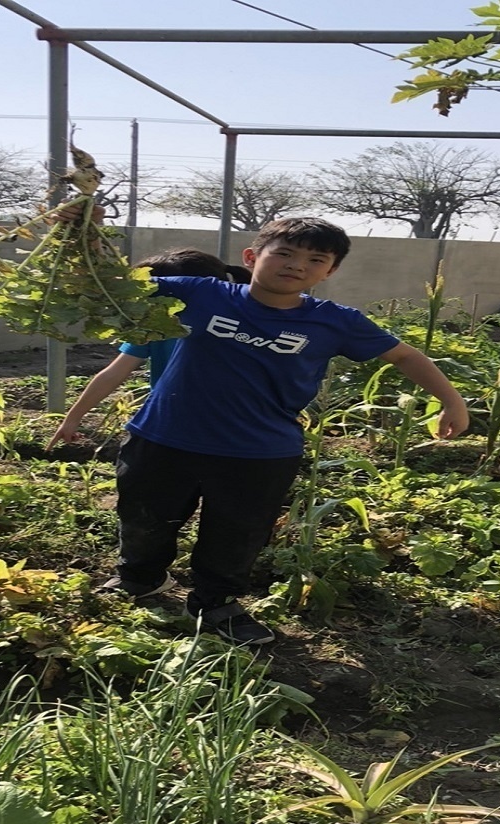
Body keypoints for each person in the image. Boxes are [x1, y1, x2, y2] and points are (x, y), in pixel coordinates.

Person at [60, 214, 469, 646]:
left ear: (329, 272)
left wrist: (452, 400)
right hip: (162, 437)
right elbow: (110, 286)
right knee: (144, 519)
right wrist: (81, 228)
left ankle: (215, 603)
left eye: (316, 259)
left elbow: (406, 357)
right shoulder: (199, 293)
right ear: (253, 257)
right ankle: (140, 578)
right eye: (285, 253)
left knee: (236, 533)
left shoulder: (335, 321)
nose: (297, 264)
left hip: (258, 452)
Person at [46, 249, 248, 448]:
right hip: (167, 427)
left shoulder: (236, 332)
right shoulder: (155, 329)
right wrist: (73, 418)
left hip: (226, 433)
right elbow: (114, 373)